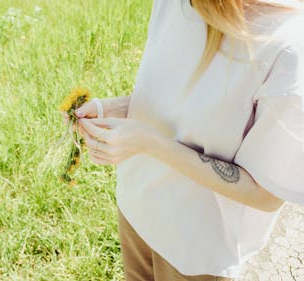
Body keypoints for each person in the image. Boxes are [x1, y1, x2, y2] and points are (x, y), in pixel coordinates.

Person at [69, 0, 304, 280]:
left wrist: (150, 143)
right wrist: (113, 108)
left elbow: (264, 194)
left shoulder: (288, 48)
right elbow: (181, 101)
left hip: (194, 254)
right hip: (135, 209)